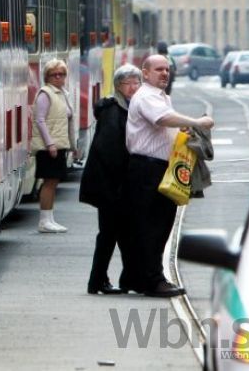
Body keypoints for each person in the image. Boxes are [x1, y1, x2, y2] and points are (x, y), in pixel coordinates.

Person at [124, 54, 214, 297]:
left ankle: (142, 277)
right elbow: (162, 118)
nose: (164, 73)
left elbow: (165, 123)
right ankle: (153, 280)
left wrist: (181, 128)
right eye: (158, 69)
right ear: (145, 73)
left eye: (167, 69)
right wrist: (196, 122)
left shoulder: (159, 96)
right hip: (147, 169)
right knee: (153, 225)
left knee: (158, 224)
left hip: (157, 167)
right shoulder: (146, 96)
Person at [79, 64, 142, 294]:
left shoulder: (127, 108)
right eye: (127, 83)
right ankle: (98, 281)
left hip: (115, 185)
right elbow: (109, 151)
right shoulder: (113, 110)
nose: (133, 87)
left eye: (136, 82)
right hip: (109, 185)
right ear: (118, 86)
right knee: (110, 234)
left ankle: (123, 279)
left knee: (121, 233)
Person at [31, 59, 76, 233]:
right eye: (54, 74)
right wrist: (50, 143)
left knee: (53, 181)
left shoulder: (62, 93)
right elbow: (40, 120)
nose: (58, 77)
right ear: (47, 77)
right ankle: (44, 220)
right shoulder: (45, 94)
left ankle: (50, 218)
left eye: (62, 74)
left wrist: (72, 146)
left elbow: (68, 121)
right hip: (49, 147)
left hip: (58, 145)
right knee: (49, 182)